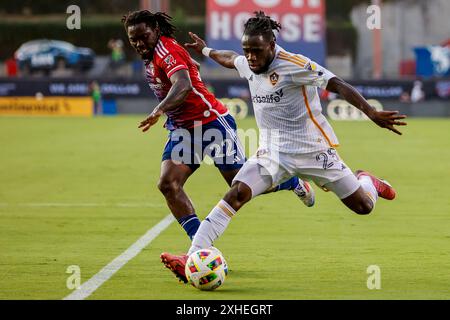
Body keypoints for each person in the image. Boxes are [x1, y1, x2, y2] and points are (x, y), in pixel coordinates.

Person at [160, 11, 407, 283]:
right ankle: (193, 255)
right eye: (247, 50)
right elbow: (231, 59)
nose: (251, 57)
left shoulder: (295, 64)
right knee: (237, 193)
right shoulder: (250, 63)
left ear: (272, 46)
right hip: (272, 153)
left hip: (314, 151)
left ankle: (367, 181)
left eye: (256, 51)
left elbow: (337, 84)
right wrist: (206, 50)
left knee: (363, 206)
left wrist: (370, 111)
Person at [122, 11, 315, 244]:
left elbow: (182, 84)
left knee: (240, 184)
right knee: (168, 184)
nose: (139, 43)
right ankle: (200, 246)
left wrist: (159, 109)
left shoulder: (166, 50)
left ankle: (291, 182)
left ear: (156, 30)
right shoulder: (154, 54)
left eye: (144, 36)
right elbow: (189, 71)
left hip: (211, 122)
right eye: (134, 40)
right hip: (183, 129)